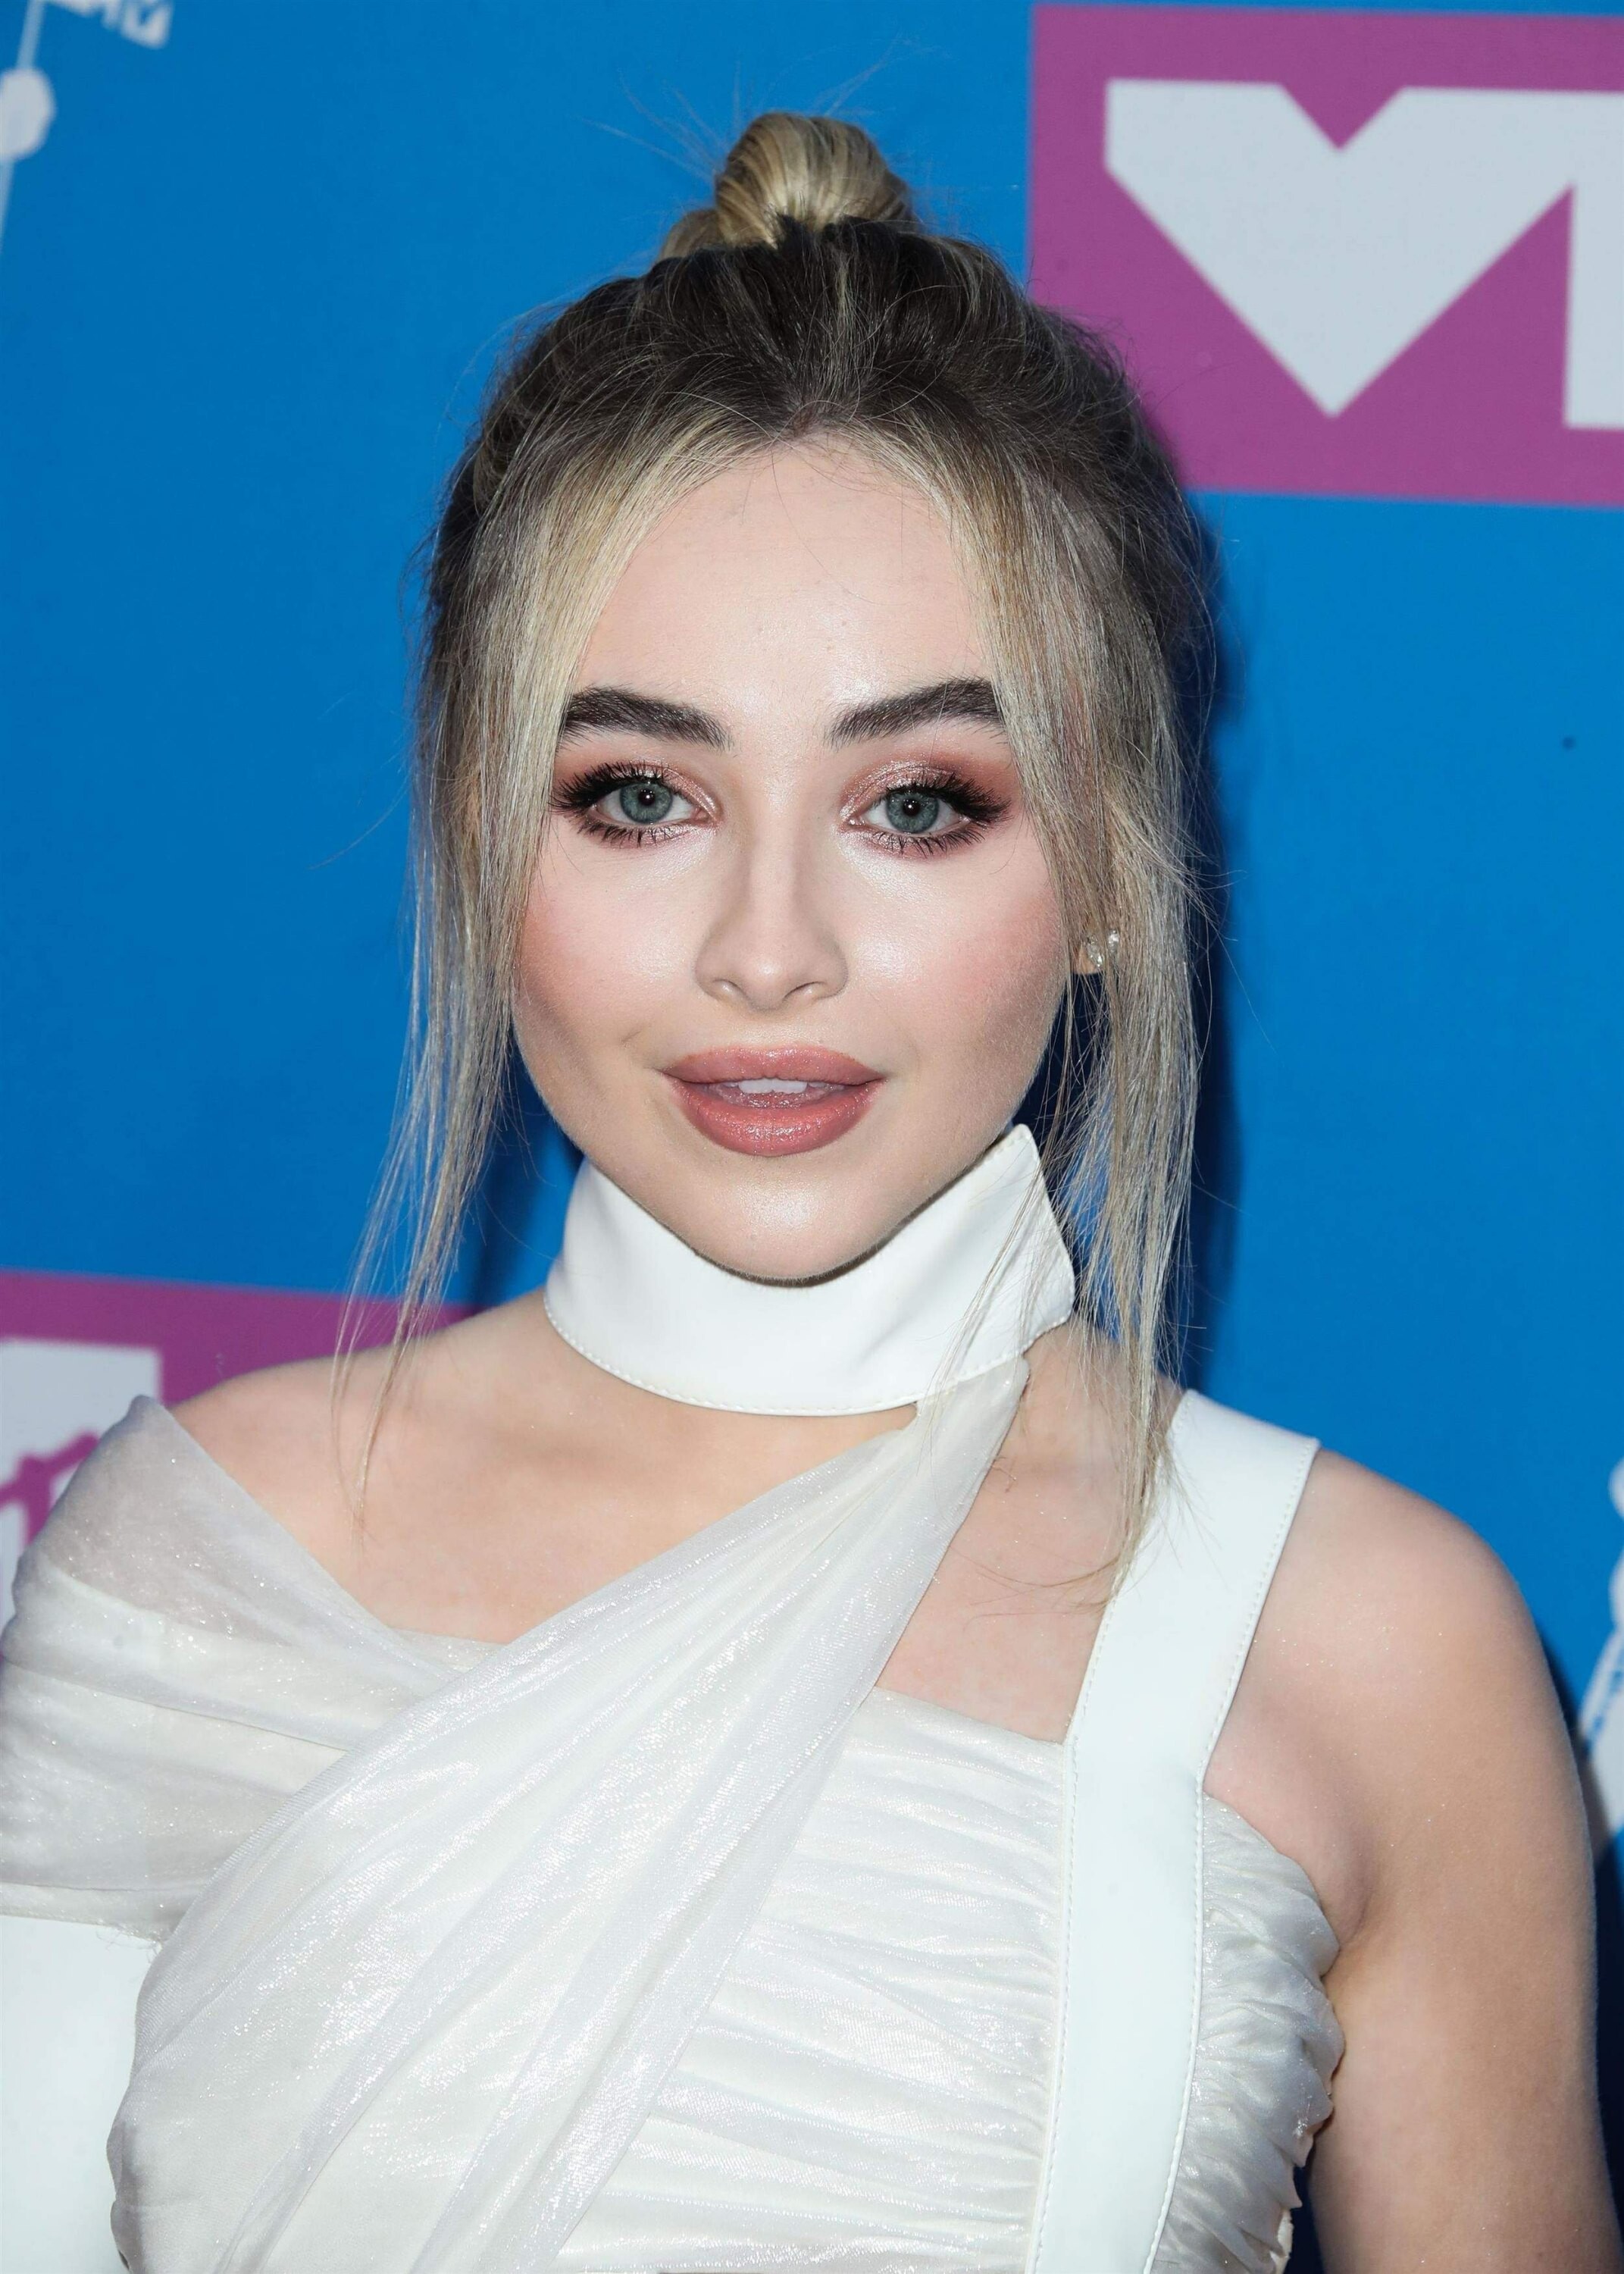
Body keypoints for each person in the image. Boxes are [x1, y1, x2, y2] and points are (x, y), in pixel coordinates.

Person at [1, 113, 1616, 2274]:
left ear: (1113, 870)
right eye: (639, 796)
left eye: (918, 803)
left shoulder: (1371, 1645)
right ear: (481, 842)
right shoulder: (199, 1557)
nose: (769, 953)